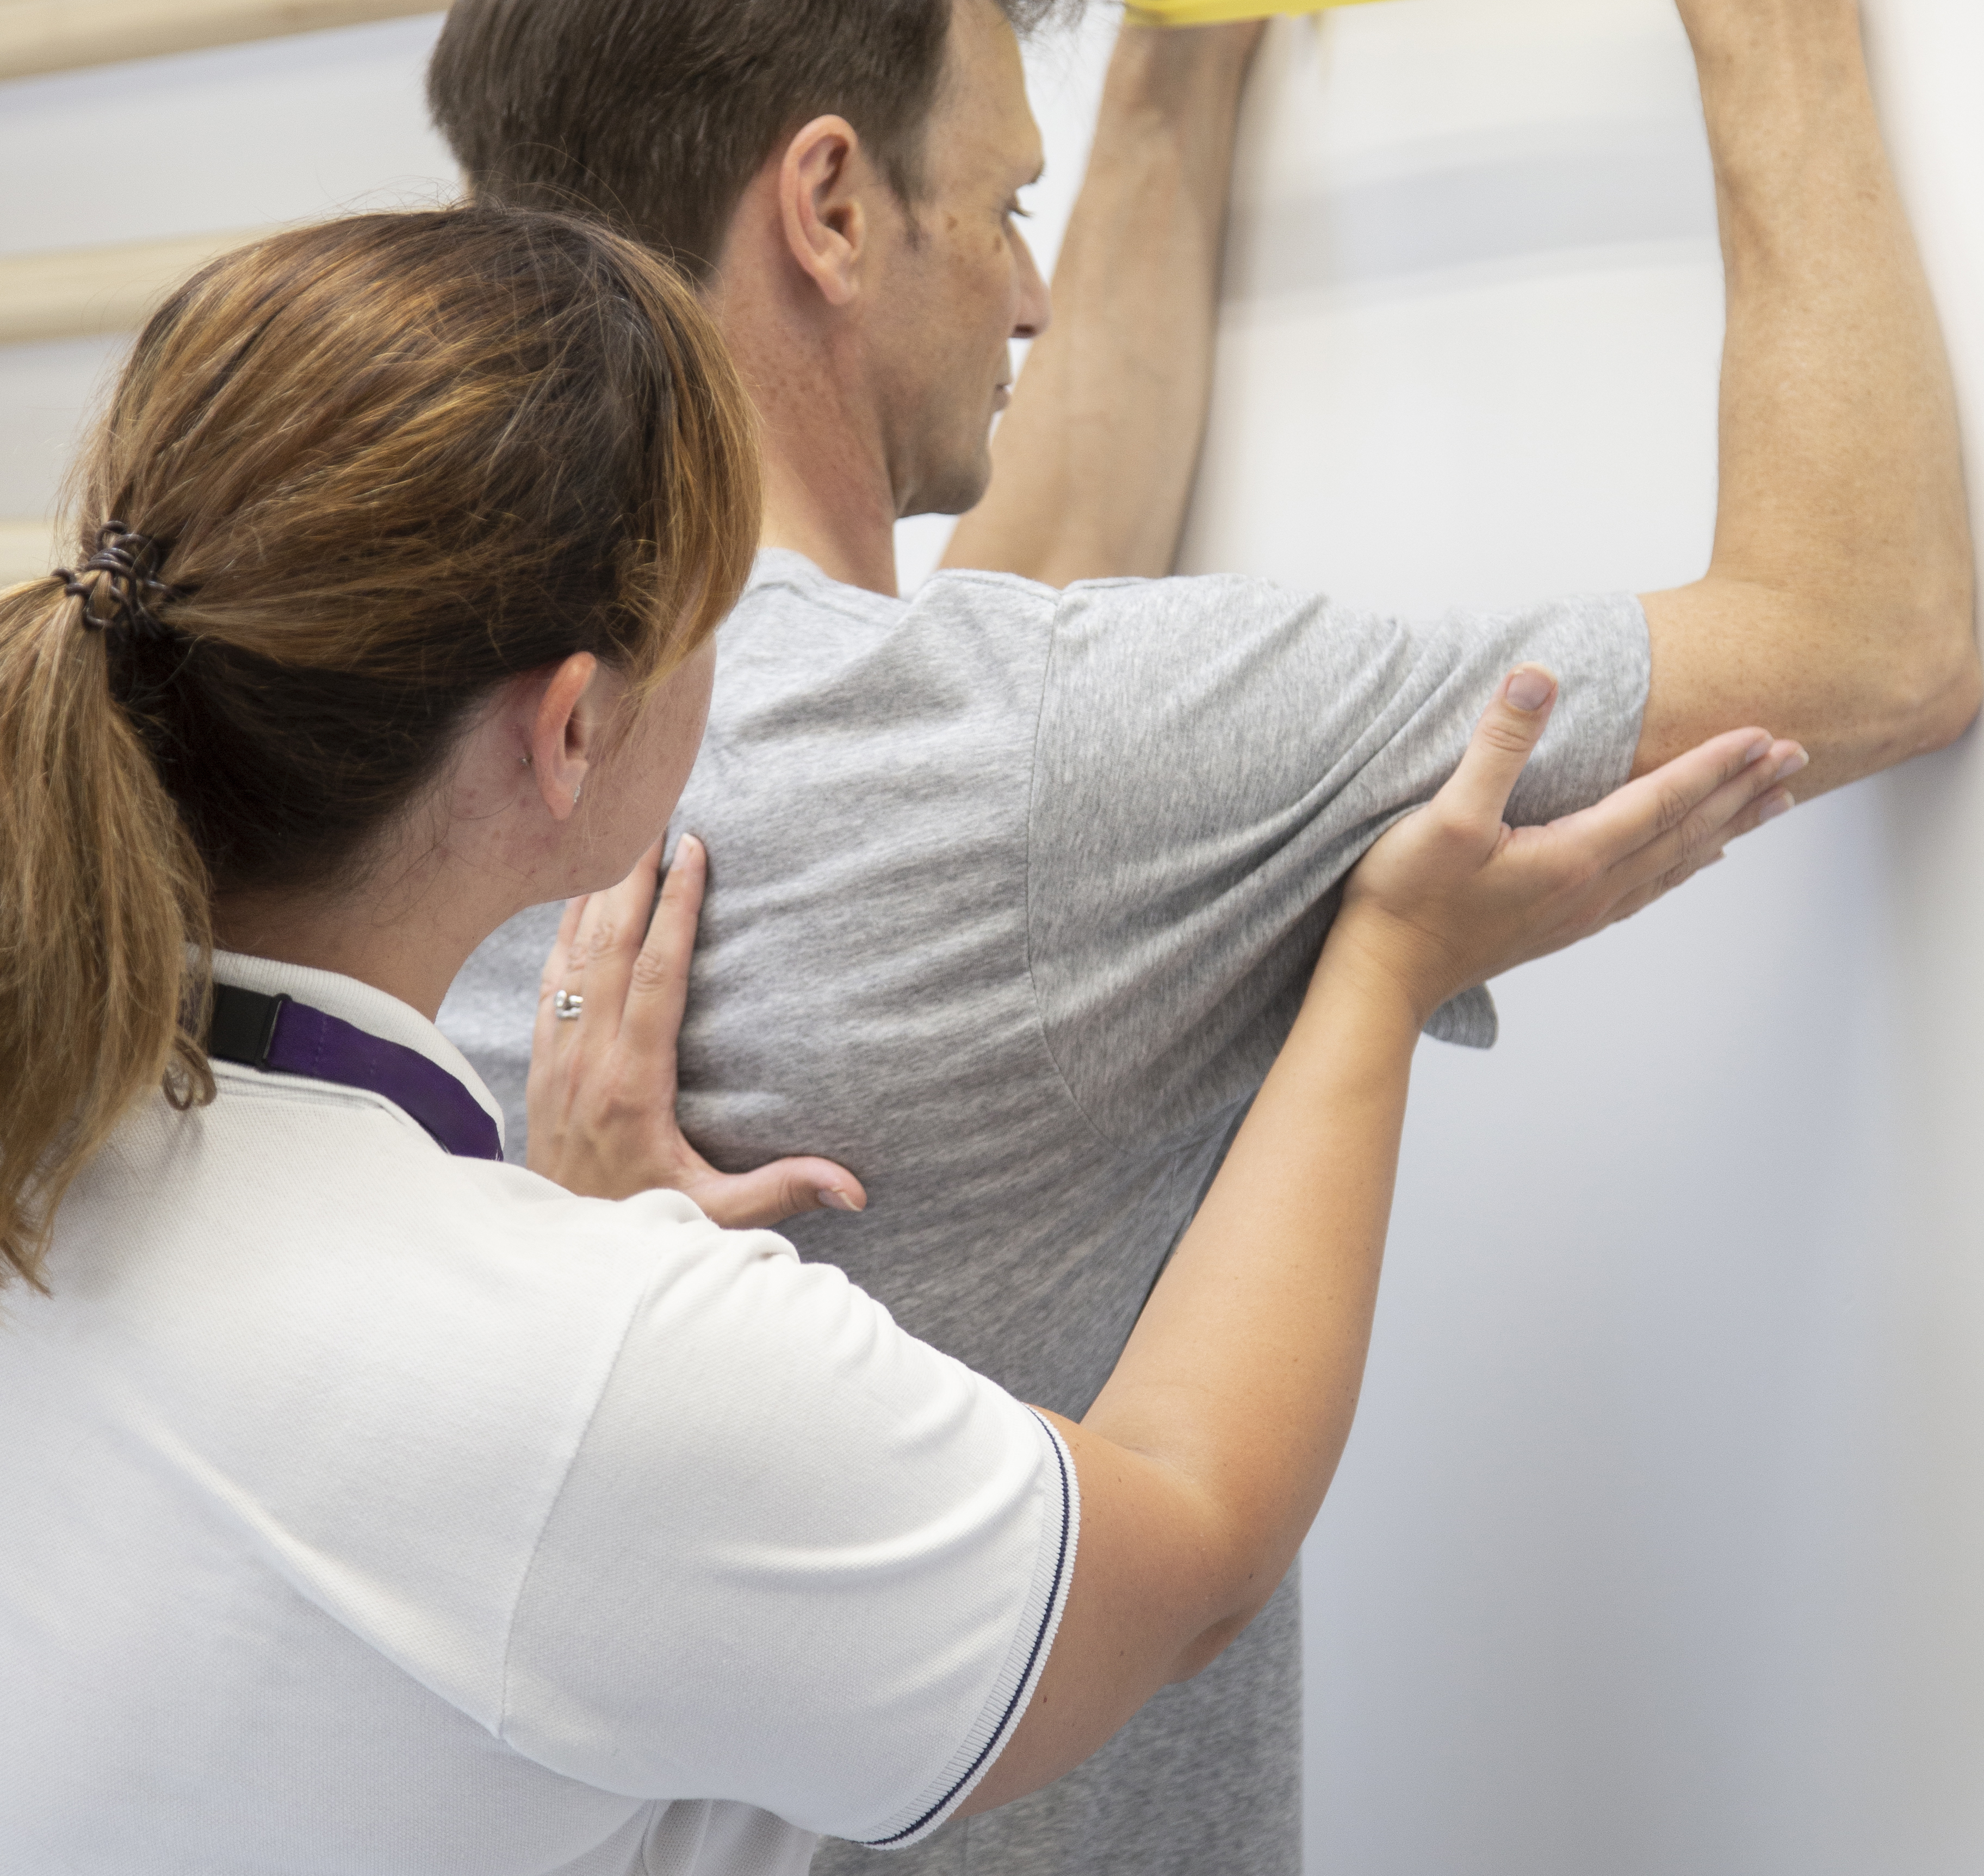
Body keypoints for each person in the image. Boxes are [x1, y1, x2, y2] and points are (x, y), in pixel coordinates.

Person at [431, 0, 1979, 1876]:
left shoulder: (473, 711)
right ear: (827, 208)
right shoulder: (1016, 766)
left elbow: (1006, 593)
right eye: (993, 209)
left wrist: (1185, 35)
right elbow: (1875, 625)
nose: (1034, 287)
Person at [0, 200, 1793, 1874]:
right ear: (568, 736)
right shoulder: (569, 1371)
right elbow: (1184, 1555)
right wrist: (1384, 977)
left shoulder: (65, 1151)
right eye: (730, 610)